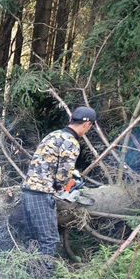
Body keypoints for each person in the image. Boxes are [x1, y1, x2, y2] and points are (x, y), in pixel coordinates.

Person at [21, 106, 96, 256]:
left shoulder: (54, 135)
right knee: (50, 240)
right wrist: (66, 186)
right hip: (41, 194)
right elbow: (63, 176)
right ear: (87, 125)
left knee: (32, 238)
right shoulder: (71, 142)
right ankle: (45, 276)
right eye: (89, 128)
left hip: (28, 190)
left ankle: (29, 273)